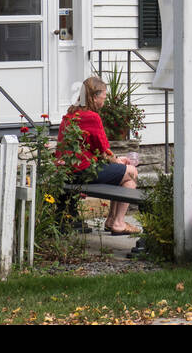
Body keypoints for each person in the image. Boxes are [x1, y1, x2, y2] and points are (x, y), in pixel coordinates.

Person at [58, 76, 140, 235]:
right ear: (95, 97)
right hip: (82, 171)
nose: (105, 100)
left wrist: (117, 160)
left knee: (121, 171)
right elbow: (103, 150)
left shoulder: (71, 114)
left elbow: (97, 151)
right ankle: (118, 223)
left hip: (68, 170)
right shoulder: (92, 117)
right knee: (131, 172)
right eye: (104, 96)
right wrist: (118, 161)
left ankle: (111, 221)